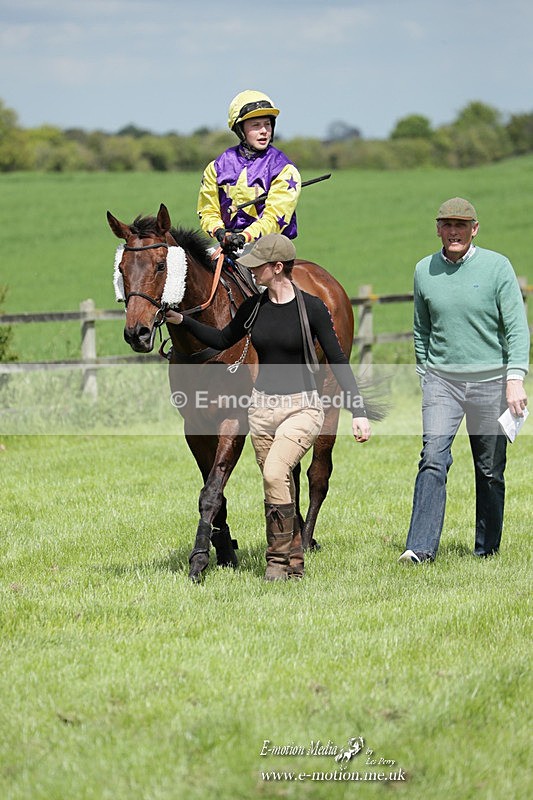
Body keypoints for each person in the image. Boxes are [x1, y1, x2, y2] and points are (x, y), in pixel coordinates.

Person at [165, 234, 371, 581]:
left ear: (277, 268)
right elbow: (221, 339)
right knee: (277, 485)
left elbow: (336, 359)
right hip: (262, 411)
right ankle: (292, 558)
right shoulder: (253, 308)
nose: (251, 271)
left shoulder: (313, 308)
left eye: (258, 266)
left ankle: (279, 563)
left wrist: (359, 411)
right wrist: (182, 321)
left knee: (276, 472)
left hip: (302, 408)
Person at [399, 197, 529, 565]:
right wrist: (426, 373)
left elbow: (517, 328)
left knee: (489, 469)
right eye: (447, 224)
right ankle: (419, 548)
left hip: (491, 382)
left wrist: (515, 378)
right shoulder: (424, 270)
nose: (454, 231)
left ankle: (486, 549)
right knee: (432, 459)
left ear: (474, 229)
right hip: (443, 384)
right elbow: (421, 328)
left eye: (461, 225)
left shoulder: (497, 267)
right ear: (438, 228)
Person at [196, 90, 301, 253]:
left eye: (267, 124)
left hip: (270, 248)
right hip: (227, 244)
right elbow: (208, 209)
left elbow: (274, 218)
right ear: (240, 129)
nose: (264, 131)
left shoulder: (284, 169)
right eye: (256, 125)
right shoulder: (217, 166)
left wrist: (245, 236)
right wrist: (219, 231)